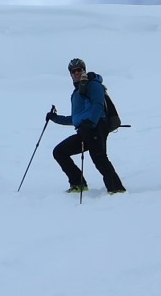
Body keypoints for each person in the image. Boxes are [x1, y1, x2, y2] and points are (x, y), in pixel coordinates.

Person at [47, 58, 126, 194]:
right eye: (74, 71)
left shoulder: (93, 84)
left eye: (79, 69)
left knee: (99, 158)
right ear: (70, 74)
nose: (77, 72)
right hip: (85, 129)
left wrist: (91, 122)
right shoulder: (76, 93)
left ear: (84, 70)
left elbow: (98, 104)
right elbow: (76, 118)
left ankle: (117, 189)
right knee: (60, 152)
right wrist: (55, 118)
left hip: (96, 126)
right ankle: (78, 184)